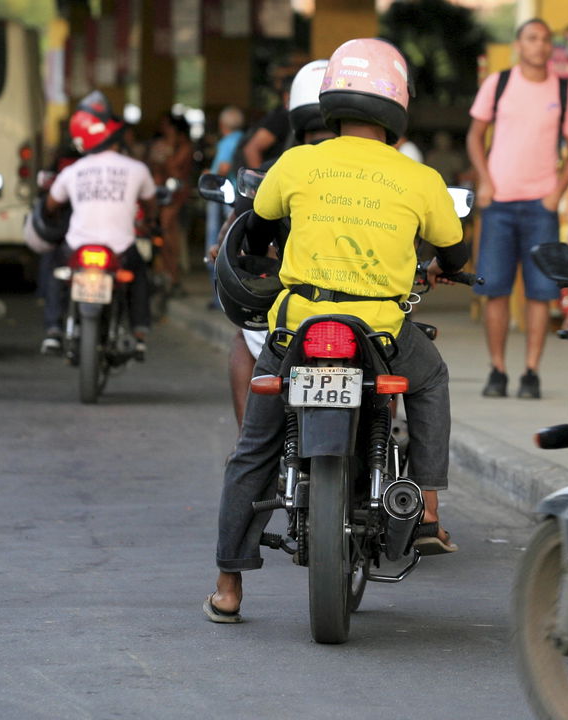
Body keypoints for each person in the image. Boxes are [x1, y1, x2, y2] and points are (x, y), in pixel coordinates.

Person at [205, 38, 471, 624]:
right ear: (398, 104)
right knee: (430, 379)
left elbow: (257, 231)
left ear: (331, 102)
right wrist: (442, 268)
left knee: (254, 448)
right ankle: (425, 506)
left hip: (299, 327)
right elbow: (456, 254)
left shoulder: (295, 163)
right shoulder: (420, 177)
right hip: (378, 333)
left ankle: (228, 584)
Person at [467, 18, 568, 399]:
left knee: (540, 292)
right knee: (495, 289)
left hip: (541, 206)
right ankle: (497, 370)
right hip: (499, 203)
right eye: (532, 38)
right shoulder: (498, 84)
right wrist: (485, 181)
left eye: (545, 39)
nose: (540, 45)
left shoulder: (564, 91)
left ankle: (531, 372)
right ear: (519, 45)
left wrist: (557, 191)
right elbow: (474, 135)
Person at [217, 60, 335, 431]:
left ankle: (249, 446)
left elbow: (247, 234)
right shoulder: (386, 170)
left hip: (294, 304)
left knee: (245, 339)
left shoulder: (278, 169)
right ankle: (420, 483)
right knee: (420, 372)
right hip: (370, 308)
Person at [39, 92, 157, 356]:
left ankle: (54, 330)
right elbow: (151, 204)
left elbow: (50, 205)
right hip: (121, 249)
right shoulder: (137, 169)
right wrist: (150, 222)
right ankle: (139, 333)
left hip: (77, 246)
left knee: (56, 269)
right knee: (138, 276)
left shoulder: (72, 171)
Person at [147, 114, 194, 286]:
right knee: (159, 232)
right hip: (161, 194)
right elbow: (153, 166)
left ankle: (172, 274)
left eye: (167, 126)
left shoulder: (184, 147)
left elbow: (173, 168)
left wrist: (169, 149)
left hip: (176, 197)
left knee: (168, 232)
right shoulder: (161, 144)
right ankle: (163, 272)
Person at [204, 107, 245, 305]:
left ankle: (219, 298)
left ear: (222, 125)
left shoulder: (227, 141)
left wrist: (209, 173)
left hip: (225, 195)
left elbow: (223, 167)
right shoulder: (245, 138)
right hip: (242, 194)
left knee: (219, 242)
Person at [241, 78, 293, 169]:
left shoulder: (281, 115)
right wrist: (262, 180)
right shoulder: (281, 117)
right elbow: (251, 150)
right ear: (286, 95)